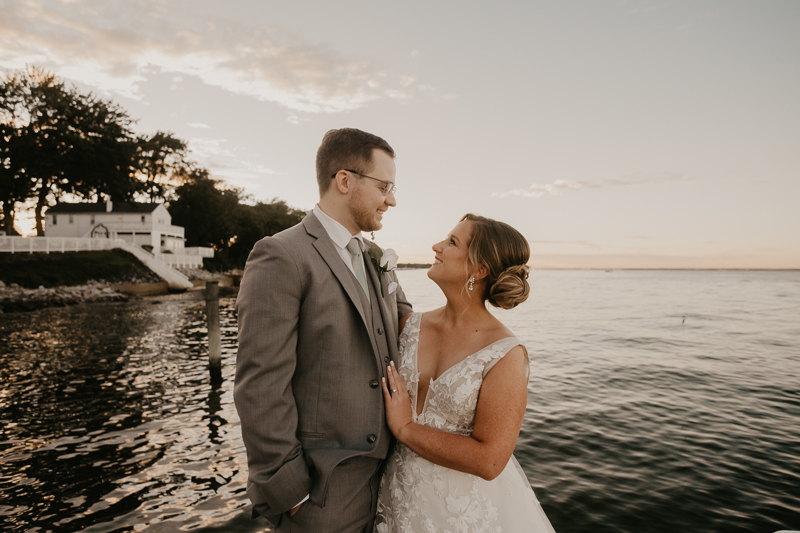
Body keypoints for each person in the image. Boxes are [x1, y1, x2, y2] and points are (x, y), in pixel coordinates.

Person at [234, 128, 412, 532]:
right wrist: (291, 492)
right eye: (385, 186)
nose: (392, 199)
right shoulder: (281, 254)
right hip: (321, 493)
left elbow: (408, 328)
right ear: (345, 180)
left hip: (387, 484)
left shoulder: (375, 257)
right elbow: (260, 382)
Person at [375, 214, 556, 532]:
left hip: (459, 515)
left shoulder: (505, 354)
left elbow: (490, 461)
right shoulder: (409, 326)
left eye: (452, 242)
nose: (437, 246)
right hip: (393, 502)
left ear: (480, 269)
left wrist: (405, 428)